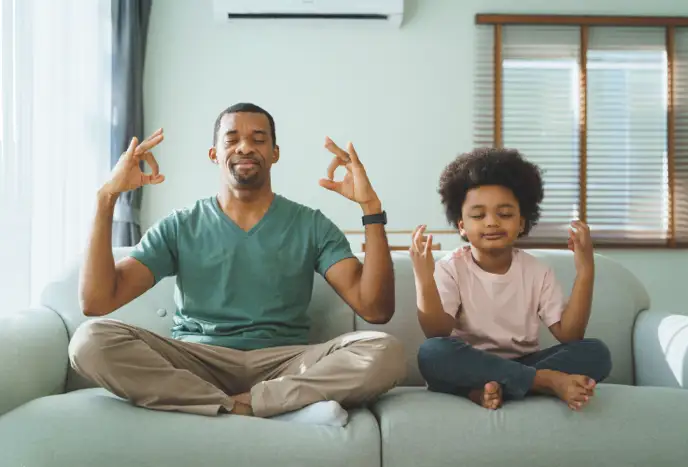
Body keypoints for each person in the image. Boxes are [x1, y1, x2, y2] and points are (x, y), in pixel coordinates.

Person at [69, 103, 406, 426]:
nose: (245, 147)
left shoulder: (311, 225)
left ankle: (240, 402)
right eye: (232, 140)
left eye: (259, 139)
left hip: (285, 362)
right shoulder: (181, 225)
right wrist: (106, 198)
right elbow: (97, 301)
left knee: (385, 351)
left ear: (275, 153)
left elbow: (375, 309)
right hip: (197, 361)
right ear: (214, 154)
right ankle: (244, 405)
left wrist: (370, 208)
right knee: (89, 342)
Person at [409, 147, 612, 411]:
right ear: (461, 225)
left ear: (521, 222)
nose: (492, 222)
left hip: (524, 361)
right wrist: (424, 278)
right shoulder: (451, 268)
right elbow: (437, 332)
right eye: (478, 215)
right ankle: (543, 382)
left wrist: (586, 270)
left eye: (504, 214)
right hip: (471, 363)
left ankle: (487, 391)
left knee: (597, 353)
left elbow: (570, 335)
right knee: (433, 354)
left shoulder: (538, 271)